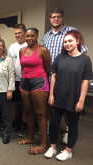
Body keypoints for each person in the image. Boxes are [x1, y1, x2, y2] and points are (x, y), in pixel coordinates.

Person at [44, 30, 92, 161]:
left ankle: (68, 150)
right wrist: (51, 94)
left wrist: (81, 101)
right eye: (65, 41)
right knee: (53, 124)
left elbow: (85, 81)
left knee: (72, 125)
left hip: (73, 99)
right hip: (57, 97)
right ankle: (52, 147)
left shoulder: (85, 60)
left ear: (77, 41)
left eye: (70, 41)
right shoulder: (60, 58)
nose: (67, 43)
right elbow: (53, 76)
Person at [42, 8, 88, 144]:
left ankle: (68, 129)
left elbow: (82, 53)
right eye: (53, 17)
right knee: (53, 104)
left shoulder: (71, 31)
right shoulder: (46, 36)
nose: (55, 19)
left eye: (58, 17)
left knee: (70, 107)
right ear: (50, 19)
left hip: (69, 78)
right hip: (52, 77)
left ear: (62, 18)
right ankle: (53, 127)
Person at [18, 28, 51, 155]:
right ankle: (31, 137)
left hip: (39, 82)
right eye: (27, 36)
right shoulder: (22, 50)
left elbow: (47, 68)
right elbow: (23, 66)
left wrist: (37, 77)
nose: (29, 38)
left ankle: (43, 144)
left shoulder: (43, 50)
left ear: (37, 36)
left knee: (41, 114)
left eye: (32, 36)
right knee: (28, 111)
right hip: (25, 82)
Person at [8, 24, 27, 135]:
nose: (17, 35)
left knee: (25, 104)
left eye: (19, 33)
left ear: (24, 33)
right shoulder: (12, 47)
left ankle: (24, 125)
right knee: (13, 103)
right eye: (16, 33)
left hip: (25, 79)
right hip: (14, 80)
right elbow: (9, 63)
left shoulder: (29, 45)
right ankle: (14, 123)